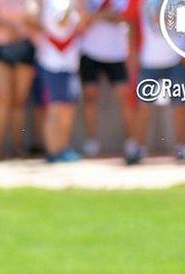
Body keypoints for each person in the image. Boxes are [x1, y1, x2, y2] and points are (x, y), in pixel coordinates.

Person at [123, 0, 185, 165]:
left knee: (180, 105)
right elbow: (131, 21)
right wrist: (132, 51)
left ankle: (182, 147)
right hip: (149, 60)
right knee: (143, 105)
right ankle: (138, 147)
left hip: (177, 59)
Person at [32, 0, 90, 162]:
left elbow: (83, 27)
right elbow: (61, 24)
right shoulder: (53, 3)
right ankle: (52, 151)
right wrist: (74, 5)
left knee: (67, 109)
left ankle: (62, 148)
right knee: (55, 109)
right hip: (53, 64)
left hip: (70, 63)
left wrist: (82, 7)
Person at [77, 0, 133, 157]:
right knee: (89, 96)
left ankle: (130, 141)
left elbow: (125, 18)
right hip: (89, 52)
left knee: (125, 97)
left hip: (117, 54)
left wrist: (97, 16)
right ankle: (91, 142)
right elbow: (82, 22)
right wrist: (107, 15)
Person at [0, 0, 38, 159]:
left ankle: (18, 148)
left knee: (19, 101)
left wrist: (27, 22)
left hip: (25, 48)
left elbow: (39, 25)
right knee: (1, 98)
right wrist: (9, 26)